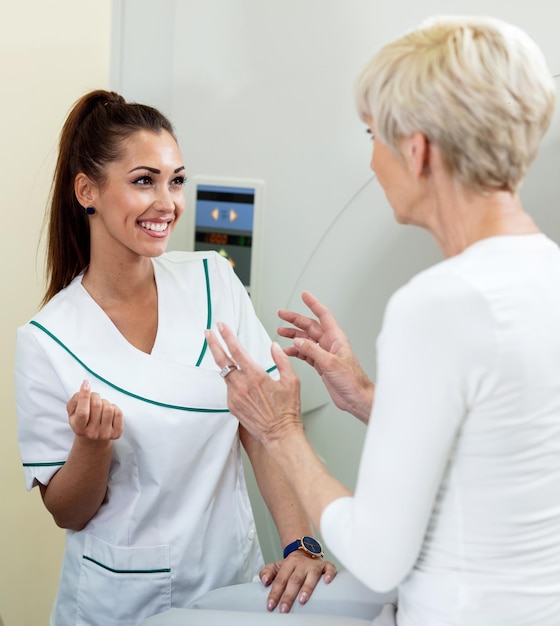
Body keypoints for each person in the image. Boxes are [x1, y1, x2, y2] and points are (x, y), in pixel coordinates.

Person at [205, 15, 560, 626]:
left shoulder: (440, 304)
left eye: (373, 134)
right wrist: (368, 396)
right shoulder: (545, 272)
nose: (372, 160)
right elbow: (495, 445)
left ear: (417, 148)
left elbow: (377, 554)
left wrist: (281, 429)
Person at [14, 89, 336, 626]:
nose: (168, 203)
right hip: (119, 602)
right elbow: (66, 511)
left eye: (176, 180)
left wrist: (299, 543)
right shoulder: (48, 339)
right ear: (87, 191)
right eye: (145, 181)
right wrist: (91, 447)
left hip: (233, 580)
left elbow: (263, 430)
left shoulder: (213, 281)